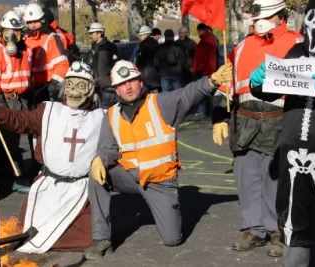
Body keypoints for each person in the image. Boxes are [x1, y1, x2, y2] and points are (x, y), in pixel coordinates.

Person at [83, 60, 233, 260]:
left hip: (160, 182)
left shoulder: (161, 104)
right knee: (96, 175)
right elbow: (107, 148)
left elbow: (188, 93)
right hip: (129, 176)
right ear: (116, 90)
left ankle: (165, 209)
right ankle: (101, 240)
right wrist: (99, 159)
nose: (128, 87)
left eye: (132, 81)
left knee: (172, 240)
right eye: (121, 84)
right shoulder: (111, 115)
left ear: (141, 82)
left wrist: (212, 81)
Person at [250, 0, 315, 265]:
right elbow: (273, 86)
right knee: (292, 223)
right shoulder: (297, 52)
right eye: (310, 16)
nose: (314, 24)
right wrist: (259, 83)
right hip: (292, 156)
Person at [0, 61, 102, 253]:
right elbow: (20, 120)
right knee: (29, 235)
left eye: (81, 85)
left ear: (91, 89)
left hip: (82, 190)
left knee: (87, 238)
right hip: (49, 185)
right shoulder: (48, 111)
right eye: (70, 84)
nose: (74, 91)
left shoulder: (101, 116)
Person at [211, 0, 303, 258]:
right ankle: (254, 228)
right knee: (246, 178)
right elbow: (226, 83)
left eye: (263, 16)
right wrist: (218, 116)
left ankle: (278, 231)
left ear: (279, 15)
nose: (257, 22)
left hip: (280, 121)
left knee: (275, 181)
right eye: (255, 18)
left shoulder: (297, 44)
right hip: (244, 121)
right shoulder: (240, 47)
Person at [0, 10, 32, 192]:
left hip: (21, 101)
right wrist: (1, 110)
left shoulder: (25, 51)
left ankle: (3, 178)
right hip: (5, 101)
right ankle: (12, 178)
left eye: (17, 31)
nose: (13, 35)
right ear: (2, 31)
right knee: (6, 142)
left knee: (13, 141)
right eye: (10, 30)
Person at [23, 3, 69, 103]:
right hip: (30, 88)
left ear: (42, 20)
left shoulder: (52, 38)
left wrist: (53, 86)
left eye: (35, 21)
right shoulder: (26, 39)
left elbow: (62, 65)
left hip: (47, 88)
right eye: (29, 22)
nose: (32, 25)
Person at [87, 22, 118, 109]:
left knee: (106, 111)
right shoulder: (96, 46)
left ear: (99, 34)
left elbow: (103, 67)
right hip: (99, 86)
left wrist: (101, 81)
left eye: (92, 33)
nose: (90, 36)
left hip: (107, 86)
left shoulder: (107, 47)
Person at [193, 23, 218, 117]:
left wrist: (198, 70)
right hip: (211, 70)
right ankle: (211, 111)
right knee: (210, 92)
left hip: (204, 71)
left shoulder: (204, 42)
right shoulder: (212, 39)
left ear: (200, 31)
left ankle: (202, 111)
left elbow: (201, 58)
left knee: (202, 92)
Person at [135, 26, 161, 92]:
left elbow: (139, 60)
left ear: (145, 34)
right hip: (156, 73)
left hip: (146, 74)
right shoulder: (156, 43)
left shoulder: (142, 45)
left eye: (141, 35)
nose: (140, 37)